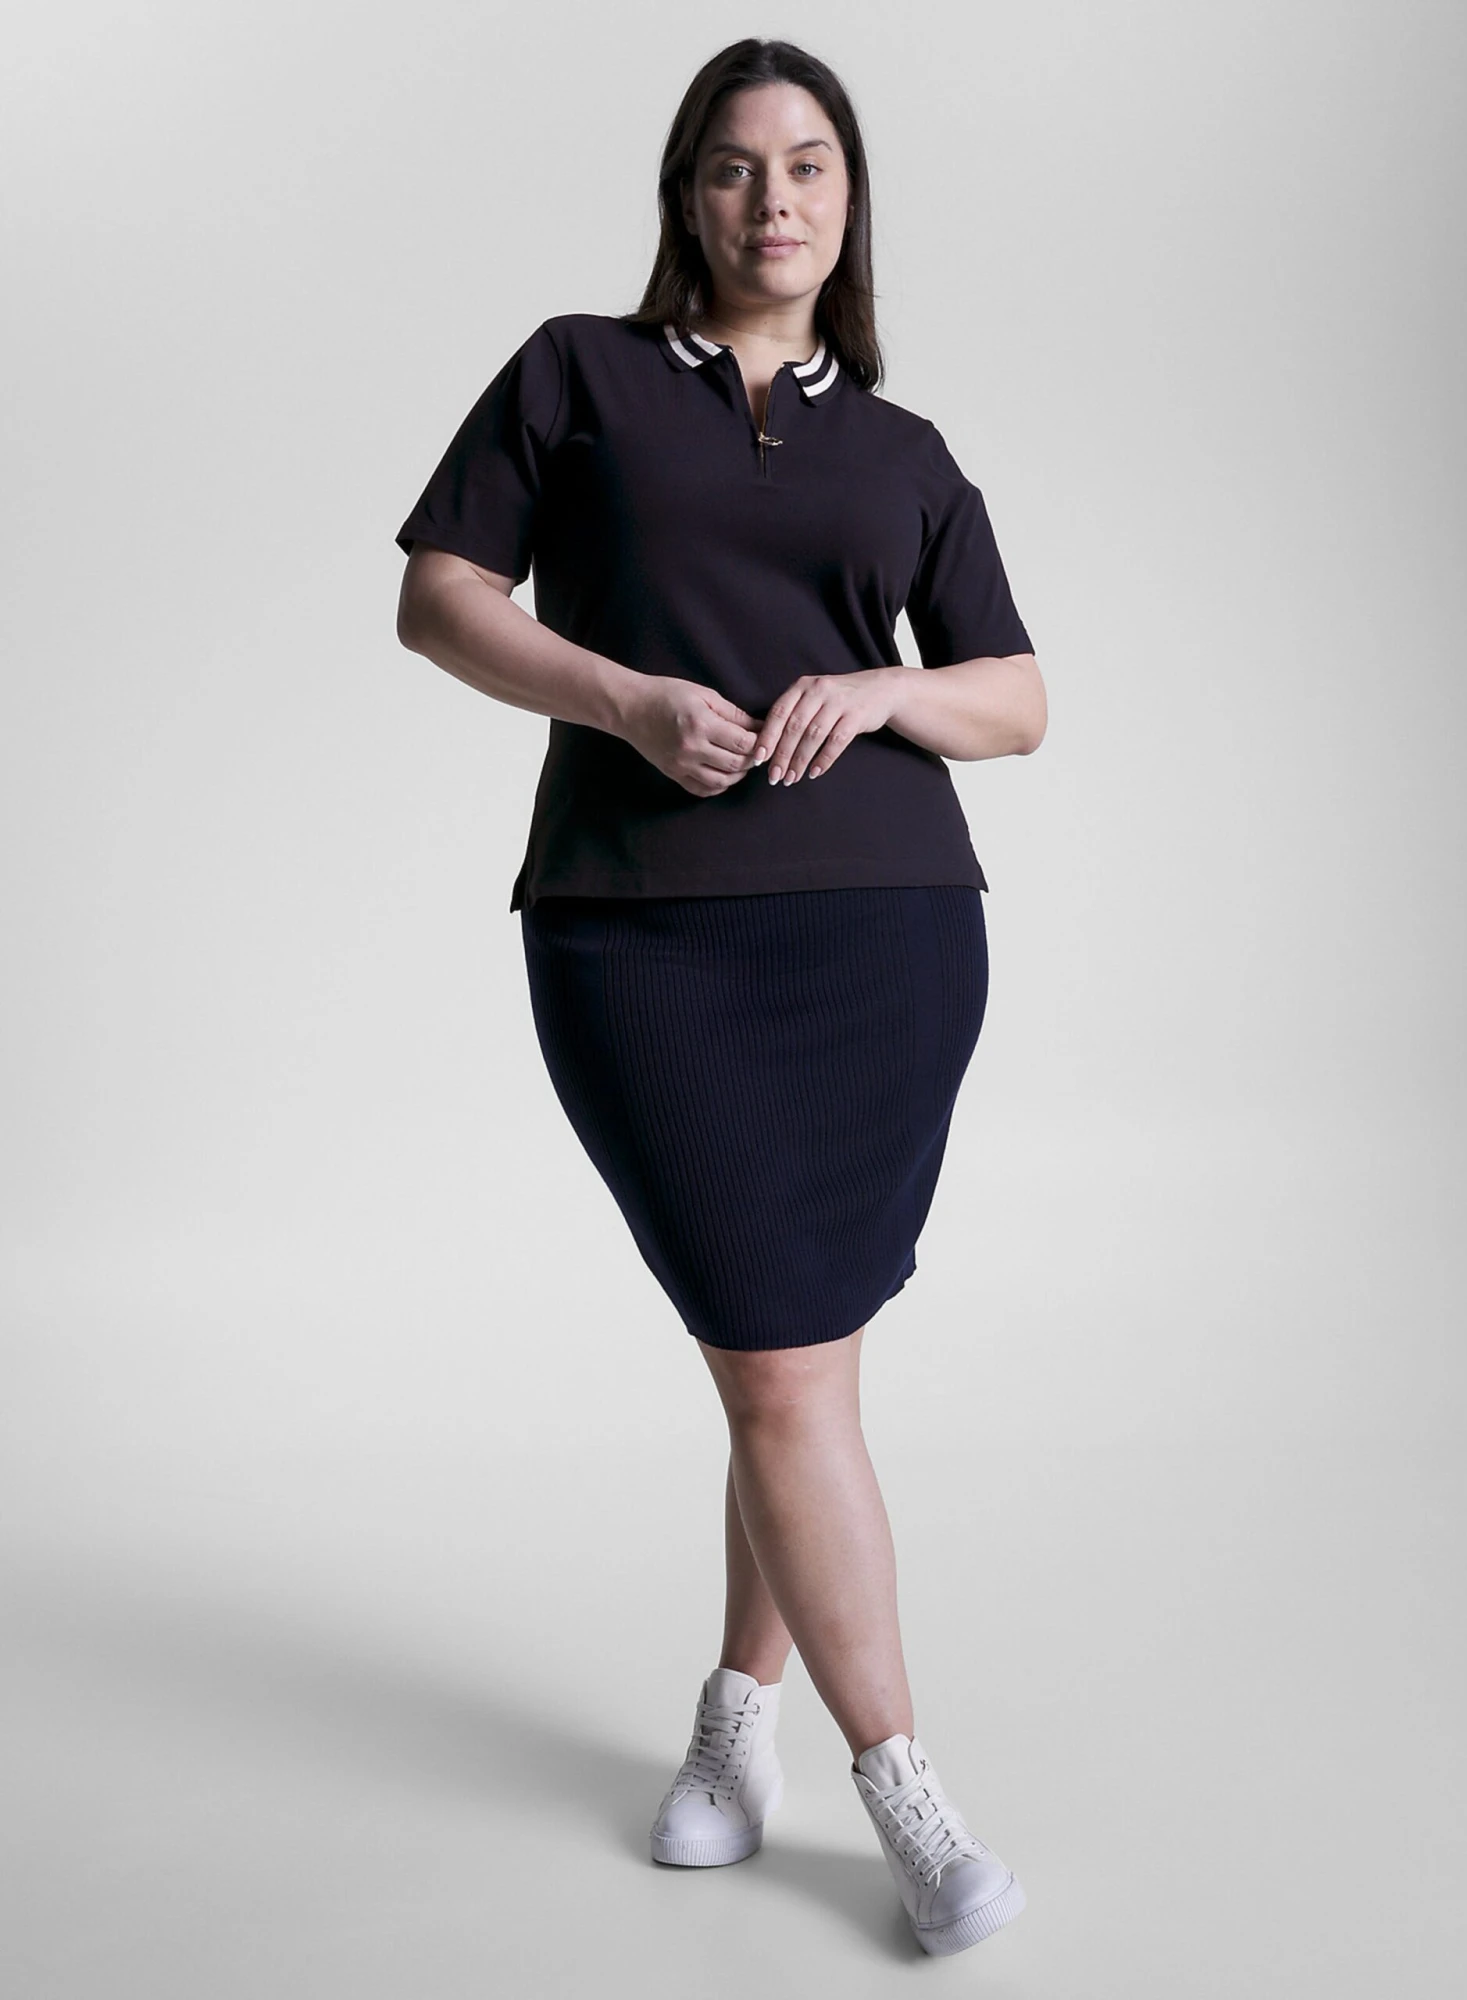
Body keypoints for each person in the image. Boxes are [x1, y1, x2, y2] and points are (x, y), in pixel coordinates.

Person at [393, 37, 1046, 1960]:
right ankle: (903, 1788)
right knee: (780, 1360)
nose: (776, 199)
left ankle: (740, 1718)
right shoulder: (576, 376)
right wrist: (620, 698)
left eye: (811, 166)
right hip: (643, 935)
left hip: (888, 937)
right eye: (738, 166)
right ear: (688, 194)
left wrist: (889, 689)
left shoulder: (904, 453)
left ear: (850, 203)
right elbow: (440, 596)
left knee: (791, 1367)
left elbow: (1017, 697)